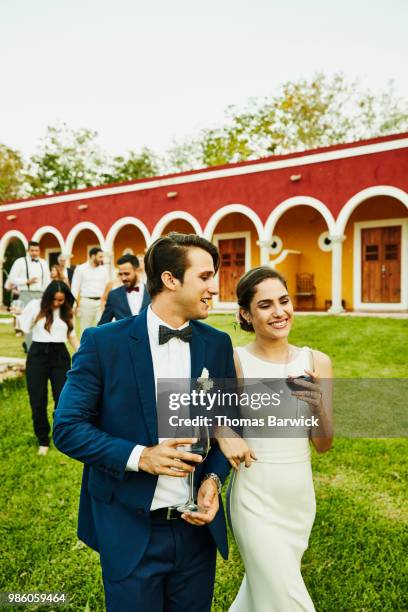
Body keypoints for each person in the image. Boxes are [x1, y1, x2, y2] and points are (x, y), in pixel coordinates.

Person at [53, 232, 236, 612]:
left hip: (195, 535)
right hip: (130, 531)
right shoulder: (104, 343)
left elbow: (225, 424)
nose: (214, 287)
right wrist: (141, 456)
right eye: (204, 277)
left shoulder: (216, 344)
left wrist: (214, 480)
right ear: (170, 280)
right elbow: (67, 427)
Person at [217, 266, 333, 612]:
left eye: (283, 301)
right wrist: (224, 432)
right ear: (246, 314)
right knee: (287, 599)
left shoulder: (316, 361)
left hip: (297, 496)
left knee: (263, 594)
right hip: (253, 494)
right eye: (265, 305)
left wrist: (317, 404)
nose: (279, 312)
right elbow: (204, 413)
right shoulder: (236, 362)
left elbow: (324, 443)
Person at [16, 281, 79, 456]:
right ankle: (43, 439)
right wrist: (20, 316)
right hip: (38, 355)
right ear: (48, 296)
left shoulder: (67, 310)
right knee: (38, 399)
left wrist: (84, 354)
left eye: (61, 300)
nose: (57, 303)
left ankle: (62, 437)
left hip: (60, 355)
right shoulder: (35, 305)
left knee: (62, 399)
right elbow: (22, 327)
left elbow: (72, 337)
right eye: (55, 300)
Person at [6, 240, 51, 351]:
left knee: (41, 321)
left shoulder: (43, 263)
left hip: (41, 294)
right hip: (26, 293)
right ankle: (30, 347)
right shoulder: (20, 262)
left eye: (36, 250)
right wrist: (26, 281)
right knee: (28, 320)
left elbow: (47, 280)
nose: (34, 253)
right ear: (28, 250)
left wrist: (48, 294)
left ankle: (40, 347)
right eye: (32, 250)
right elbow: (12, 278)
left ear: (39, 251)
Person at [98, 254, 151, 325]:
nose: (123, 278)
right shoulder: (113, 295)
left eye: (127, 274)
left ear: (137, 271)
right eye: (120, 274)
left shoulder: (153, 292)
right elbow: (103, 324)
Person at [70, 247, 109, 335]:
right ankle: (85, 348)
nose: (102, 259)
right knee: (86, 329)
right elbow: (75, 288)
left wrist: (107, 302)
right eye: (100, 257)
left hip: (101, 303)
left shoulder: (104, 270)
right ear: (92, 256)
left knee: (103, 328)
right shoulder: (80, 269)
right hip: (86, 302)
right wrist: (74, 305)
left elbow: (107, 288)